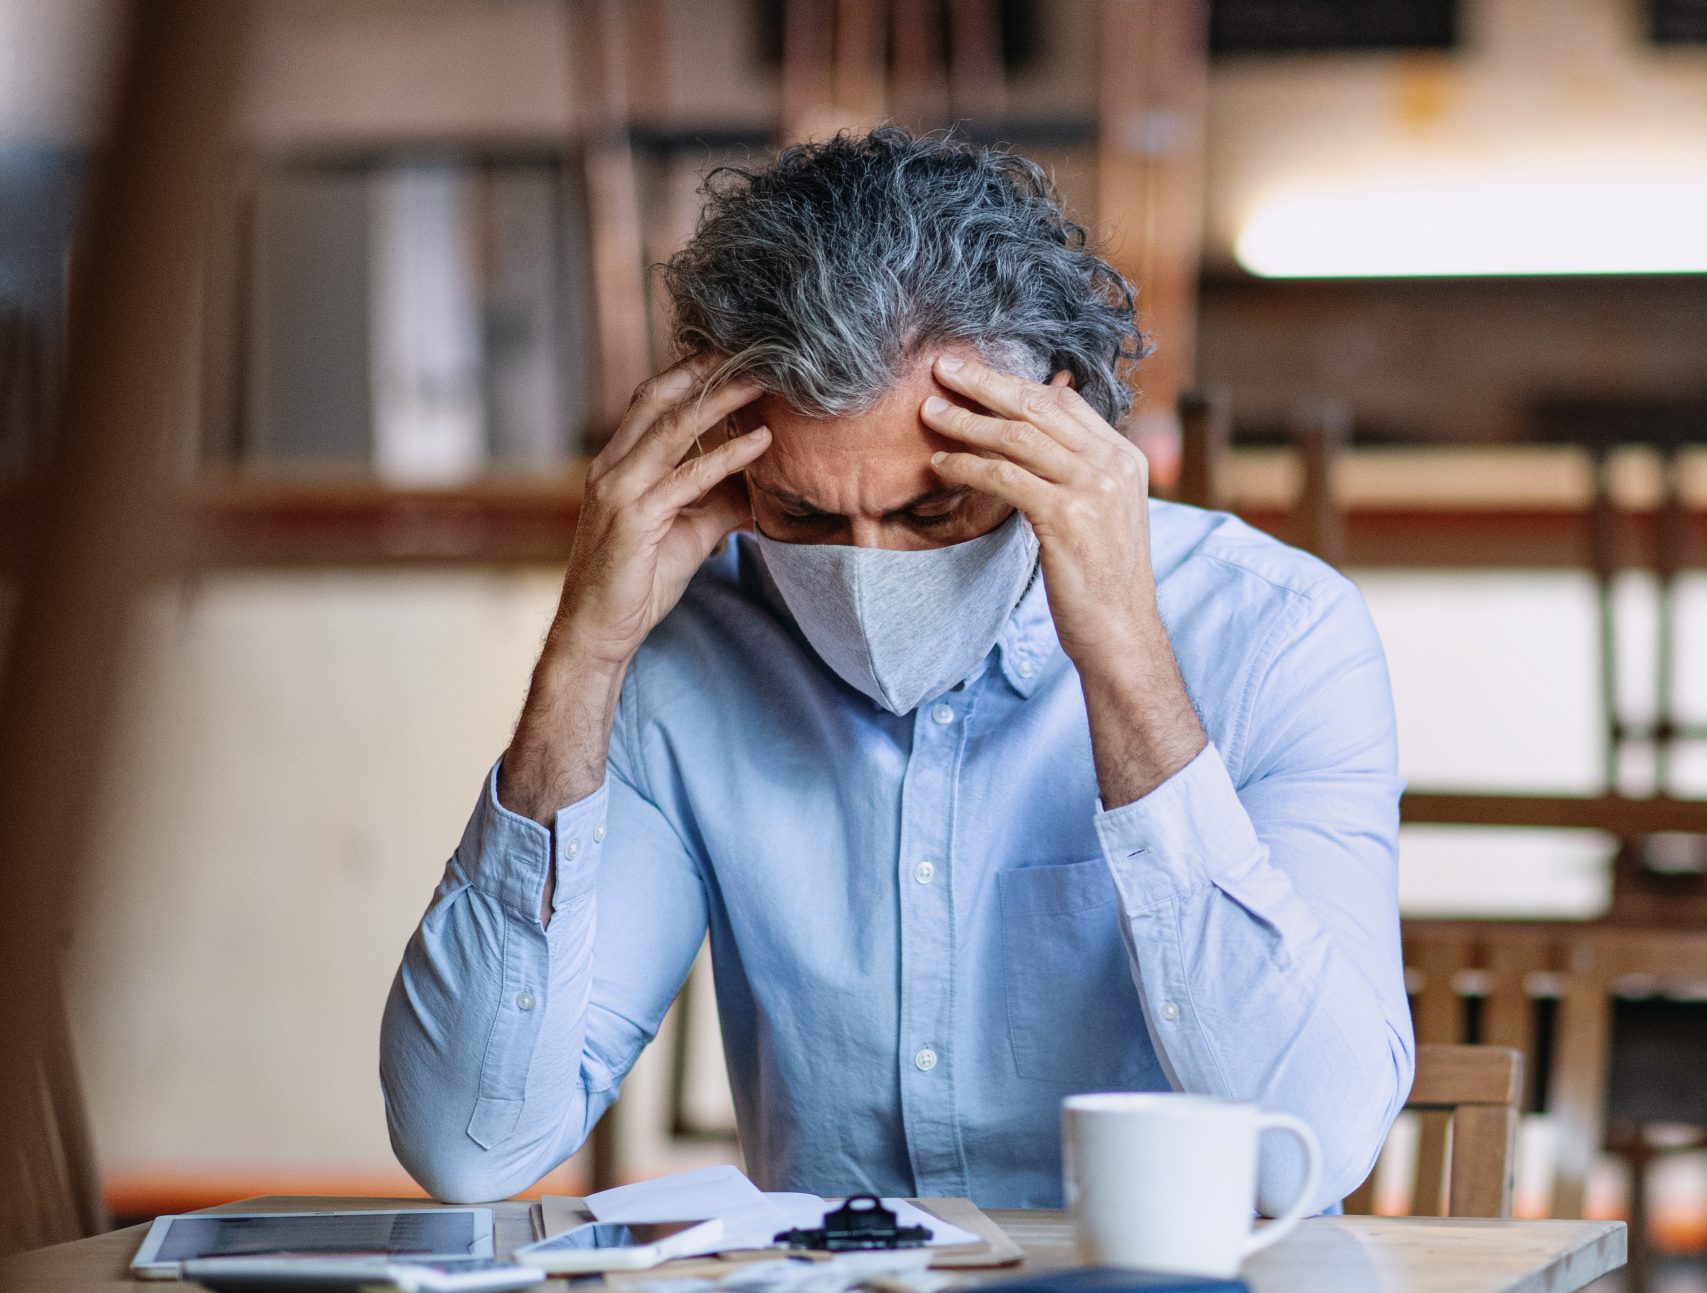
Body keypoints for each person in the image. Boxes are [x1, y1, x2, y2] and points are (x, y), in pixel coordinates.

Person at [379, 128, 1410, 1213]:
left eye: (934, 511)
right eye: (804, 515)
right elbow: (468, 1143)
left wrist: (1123, 661)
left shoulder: (1276, 636)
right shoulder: (691, 653)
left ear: (1061, 429)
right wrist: (583, 655)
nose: (870, 571)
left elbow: (1318, 1137)